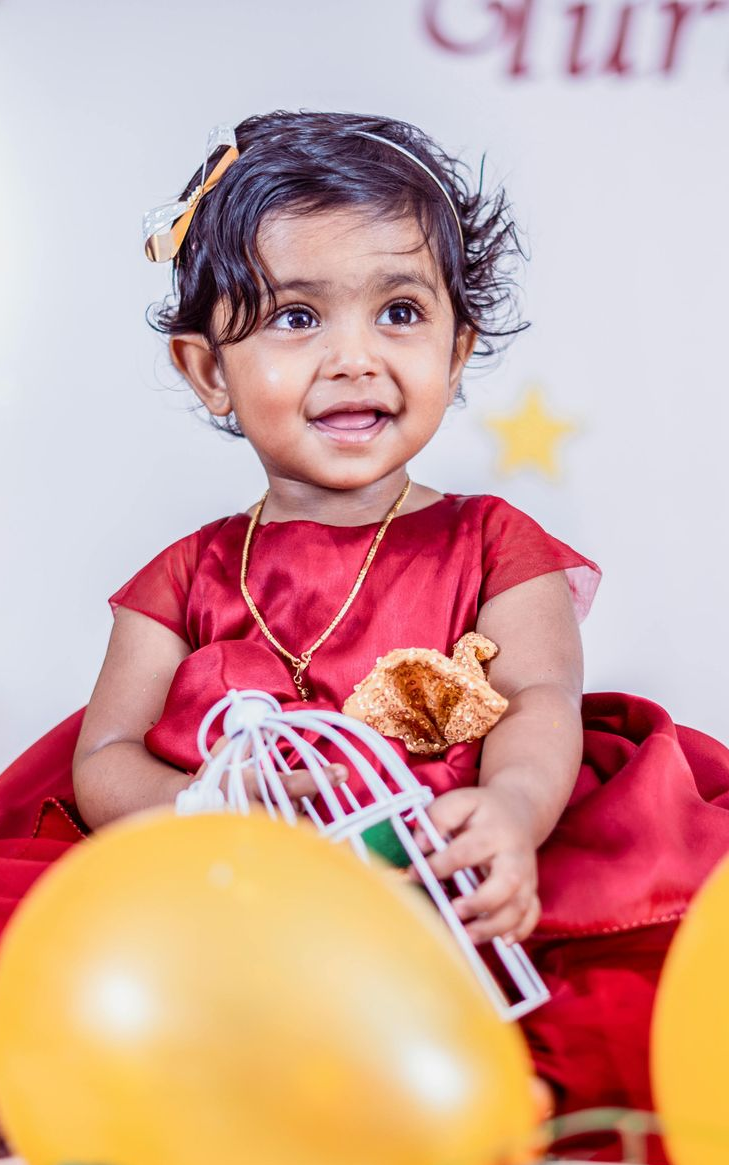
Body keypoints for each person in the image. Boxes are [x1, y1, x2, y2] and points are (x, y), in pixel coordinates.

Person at [1, 109, 728, 1163]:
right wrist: (206, 809)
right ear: (207, 370)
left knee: (603, 1018)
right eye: (296, 318)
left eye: (398, 310)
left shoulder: (492, 543)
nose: (354, 358)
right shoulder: (183, 576)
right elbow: (103, 758)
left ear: (456, 345)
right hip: (227, 896)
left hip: (441, 878)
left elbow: (537, 700)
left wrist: (515, 813)